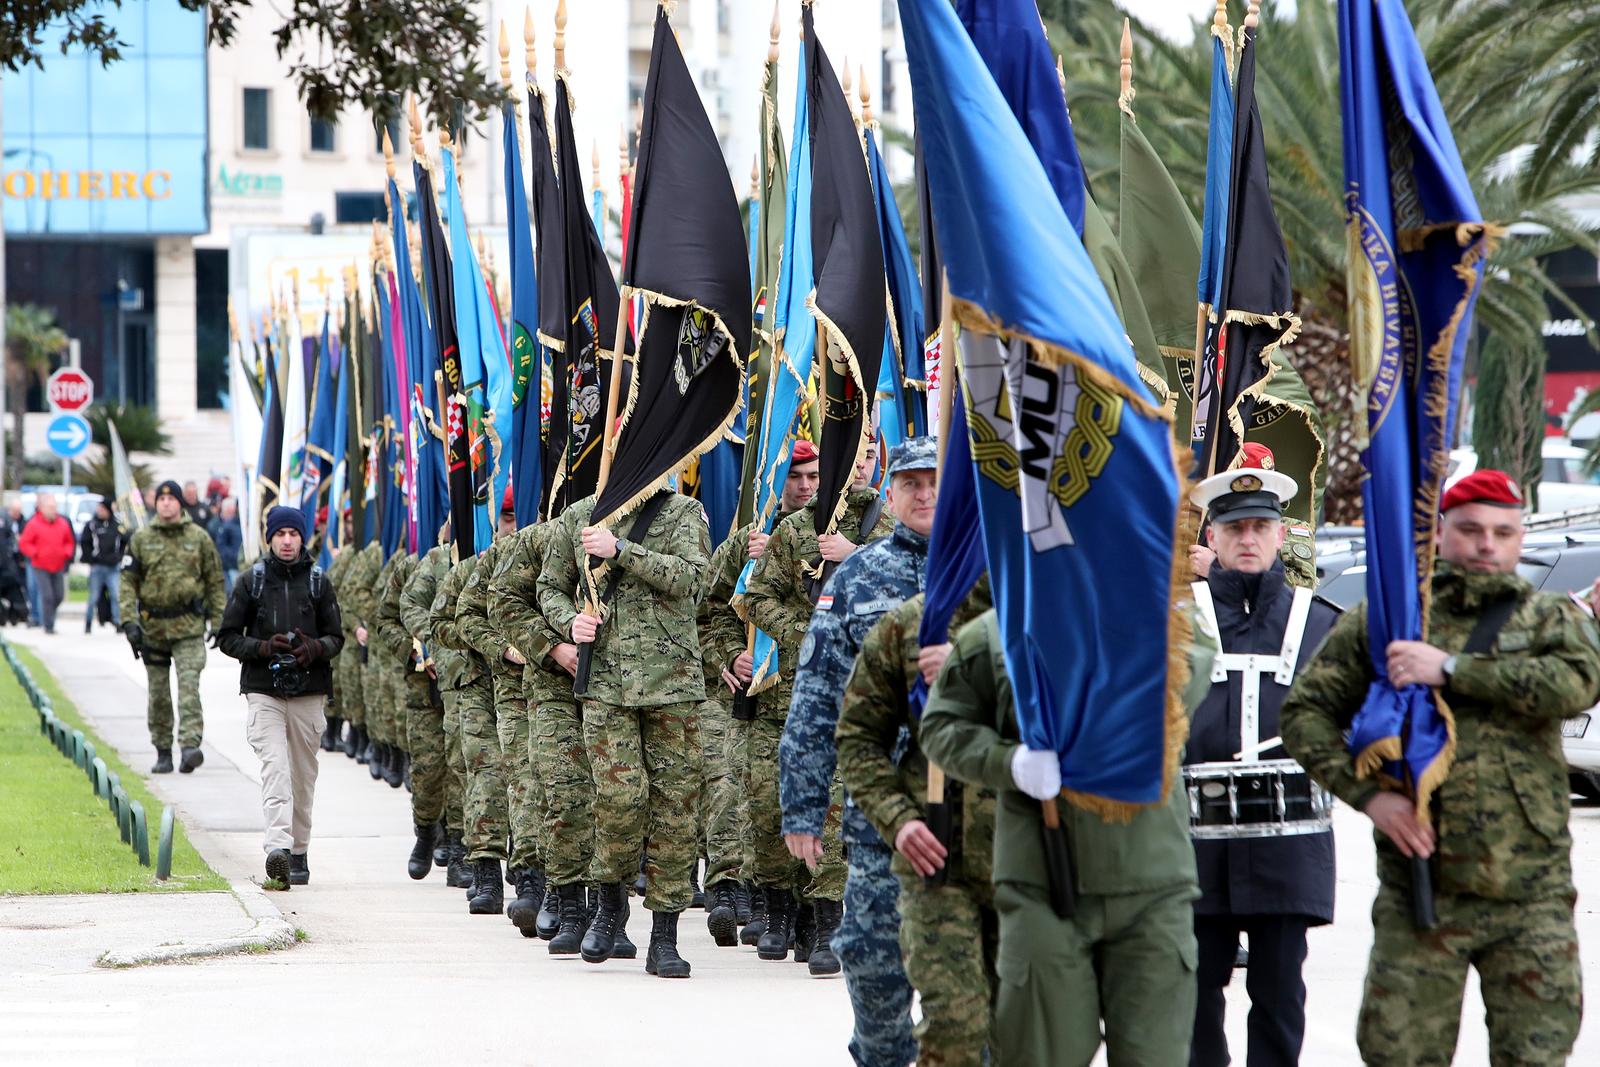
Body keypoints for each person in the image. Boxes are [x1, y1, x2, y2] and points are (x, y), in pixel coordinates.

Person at [1282, 468, 1600, 1067]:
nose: (1487, 545)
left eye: (1504, 533)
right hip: (1421, 892)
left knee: (1537, 1054)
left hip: (1530, 896)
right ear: (1442, 533)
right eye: (1472, 529)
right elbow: (1305, 714)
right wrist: (1369, 797)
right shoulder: (1393, 620)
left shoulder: (1551, 619)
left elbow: (1575, 685)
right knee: (1398, 1054)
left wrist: (1450, 670)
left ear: (1519, 537)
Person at [920, 602, 1213, 1066]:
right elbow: (941, 726)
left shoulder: (1161, 615)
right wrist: (1009, 762)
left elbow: (1193, 675)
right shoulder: (998, 633)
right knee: (1040, 1055)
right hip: (1041, 883)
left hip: (1150, 884)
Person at [780, 436, 938, 1064]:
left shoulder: (995, 569)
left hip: (980, 818)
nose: (924, 494)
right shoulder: (858, 576)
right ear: (890, 495)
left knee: (974, 996)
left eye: (934, 481)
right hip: (881, 817)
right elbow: (818, 694)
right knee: (874, 973)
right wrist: (802, 805)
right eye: (911, 484)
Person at [1184, 444, 1339, 1067]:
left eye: (1259, 527)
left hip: (1287, 847)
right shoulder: (1175, 621)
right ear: (1213, 537)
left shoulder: (1324, 624)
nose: (1247, 539)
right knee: (1192, 998)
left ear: (1280, 535)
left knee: (1279, 998)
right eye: (1234, 527)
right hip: (1193, 849)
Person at [538, 484, 710, 977]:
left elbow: (693, 579)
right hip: (607, 682)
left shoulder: (683, 511)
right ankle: (609, 907)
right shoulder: (581, 516)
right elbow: (549, 586)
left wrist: (621, 551)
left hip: (672, 681)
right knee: (619, 798)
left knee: (675, 807)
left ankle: (665, 935)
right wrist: (569, 622)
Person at [742, 436, 892, 961]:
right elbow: (755, 597)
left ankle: (828, 924)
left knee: (834, 806)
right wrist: (803, 632)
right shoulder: (795, 529)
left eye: (868, 457)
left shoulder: (885, 525)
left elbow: (918, 586)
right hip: (791, 696)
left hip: (858, 692)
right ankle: (780, 914)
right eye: (852, 455)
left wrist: (857, 557)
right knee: (771, 805)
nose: (858, 466)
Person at [836, 576, 995, 1067]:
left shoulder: (1061, 613)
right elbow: (859, 737)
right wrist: (899, 819)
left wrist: (977, 670)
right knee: (955, 1028)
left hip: (1039, 861)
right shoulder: (914, 624)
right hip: (939, 860)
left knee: (1032, 1036)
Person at [697, 438, 822, 945]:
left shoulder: (830, 537)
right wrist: (729, 655)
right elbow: (710, 611)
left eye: (814, 477)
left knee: (819, 806)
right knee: (763, 805)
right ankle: (775, 908)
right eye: (796, 477)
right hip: (763, 698)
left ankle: (816, 915)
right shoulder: (744, 544)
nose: (806, 486)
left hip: (817, 695)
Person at [216, 505, 343, 889]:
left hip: (309, 693)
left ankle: (299, 851)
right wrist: (263, 648)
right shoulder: (250, 582)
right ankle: (278, 850)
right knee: (275, 770)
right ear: (269, 538)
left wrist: (313, 649)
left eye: (293, 534)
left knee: (303, 777)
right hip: (264, 691)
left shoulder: (319, 582)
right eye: (280, 534)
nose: (287, 541)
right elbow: (226, 638)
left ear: (303, 538)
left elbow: (336, 636)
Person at [491, 516, 591, 952]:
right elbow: (501, 600)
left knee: (615, 796)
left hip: (626, 681)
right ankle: (550, 886)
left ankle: (607, 906)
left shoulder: (645, 521)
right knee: (556, 788)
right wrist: (550, 647)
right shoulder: (542, 537)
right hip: (551, 685)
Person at [120, 480, 227, 774]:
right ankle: (163, 749)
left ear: (181, 503)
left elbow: (215, 581)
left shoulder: (199, 538)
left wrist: (219, 621)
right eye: (162, 498)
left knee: (189, 687)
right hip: (153, 627)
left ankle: (190, 746)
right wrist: (129, 621)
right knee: (158, 693)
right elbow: (128, 583)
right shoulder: (141, 539)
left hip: (189, 626)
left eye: (172, 498)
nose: (166, 503)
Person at [19, 492, 76, 634]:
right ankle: (48, 625)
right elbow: (24, 543)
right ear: (42, 508)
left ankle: (48, 615)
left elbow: (69, 541)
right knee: (47, 596)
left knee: (58, 596)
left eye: (54, 507)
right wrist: (35, 553)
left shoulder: (62, 523)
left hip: (57, 565)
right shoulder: (33, 523)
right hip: (40, 565)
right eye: (50, 507)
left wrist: (66, 553)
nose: (53, 510)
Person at [78, 498, 126, 632]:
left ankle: (118, 622)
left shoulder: (117, 525)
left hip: (113, 567)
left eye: (103, 509)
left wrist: (119, 557)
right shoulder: (92, 525)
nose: (100, 511)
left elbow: (125, 542)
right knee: (93, 597)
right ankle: (88, 623)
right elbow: (85, 542)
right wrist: (91, 558)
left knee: (116, 595)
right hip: (97, 567)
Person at [210, 498, 244, 598]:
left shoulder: (248, 526)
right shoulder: (227, 527)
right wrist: (234, 558)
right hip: (232, 569)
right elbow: (221, 548)